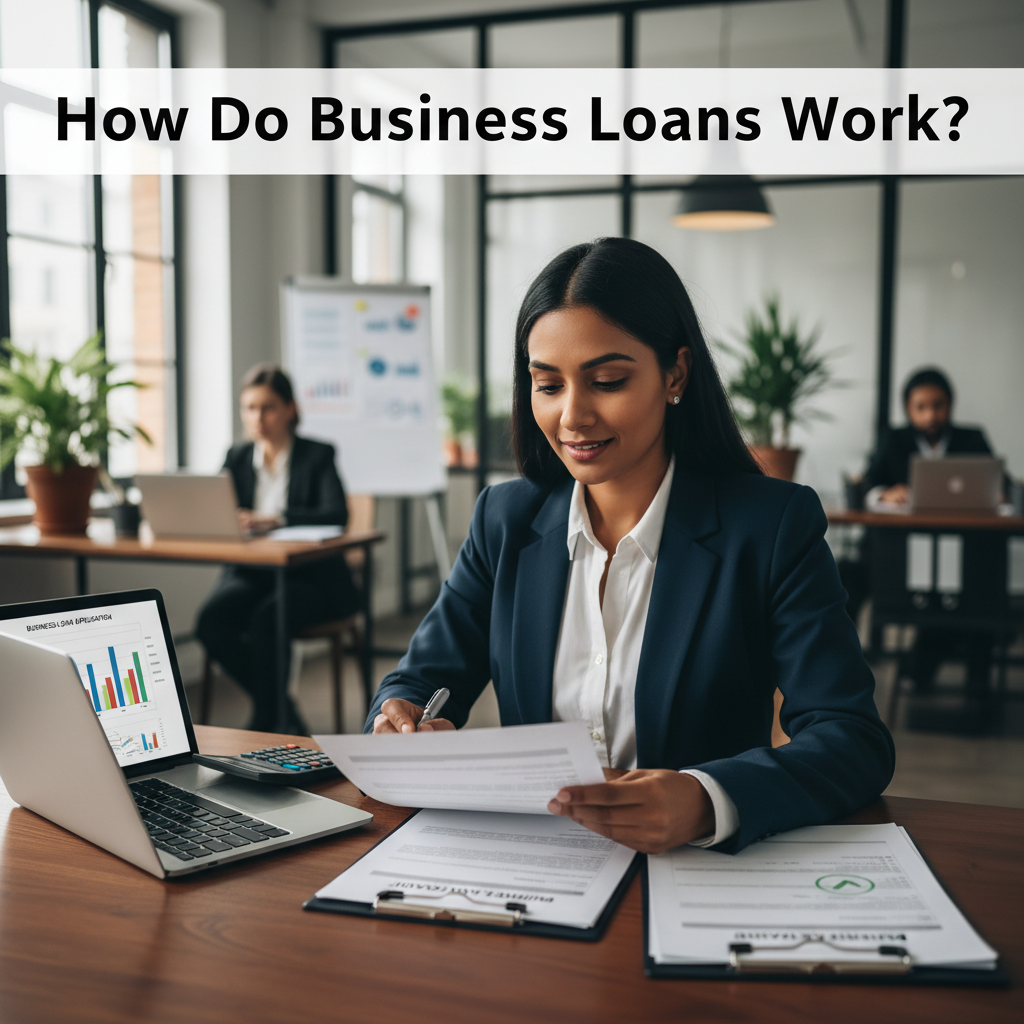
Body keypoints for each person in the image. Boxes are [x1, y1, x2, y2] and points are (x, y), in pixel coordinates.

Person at [366, 238, 893, 855]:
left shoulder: (771, 527)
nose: (573, 416)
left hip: (694, 870)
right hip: (539, 864)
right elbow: (417, 681)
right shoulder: (504, 521)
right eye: (548, 385)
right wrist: (398, 715)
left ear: (675, 375)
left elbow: (851, 737)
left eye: (607, 381)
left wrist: (706, 799)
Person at [196, 364, 359, 733]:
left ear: (290, 409)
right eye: (250, 408)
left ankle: (268, 718)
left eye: (267, 407)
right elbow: (217, 509)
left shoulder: (317, 454)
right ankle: (280, 711)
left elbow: (337, 514)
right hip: (253, 572)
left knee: (268, 621)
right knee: (211, 623)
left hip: (311, 577)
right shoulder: (236, 457)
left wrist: (276, 520)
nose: (258, 418)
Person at [863, 368, 995, 507]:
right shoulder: (893, 439)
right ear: (908, 408)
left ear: (950, 403)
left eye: (938, 405)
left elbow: (999, 482)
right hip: (906, 520)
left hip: (962, 518)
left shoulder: (972, 439)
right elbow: (869, 481)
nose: (930, 416)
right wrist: (884, 495)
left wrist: (997, 494)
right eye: (920, 407)